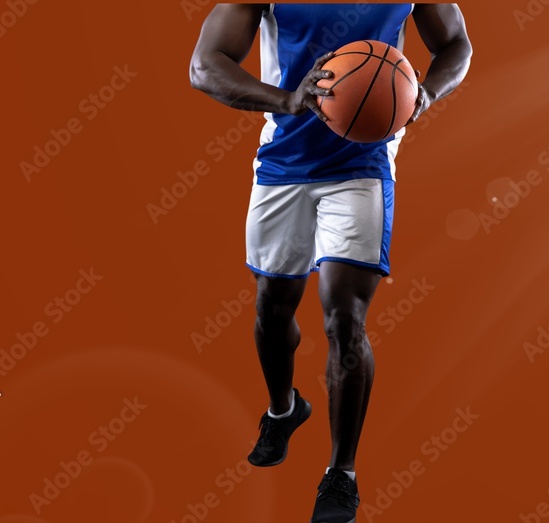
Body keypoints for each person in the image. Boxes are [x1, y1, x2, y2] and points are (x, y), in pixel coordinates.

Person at [189, 4, 471, 522]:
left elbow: (456, 43)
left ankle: (341, 474)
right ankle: (284, 410)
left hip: (362, 163)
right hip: (284, 163)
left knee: (345, 317)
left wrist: (425, 93)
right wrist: (286, 100)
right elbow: (205, 64)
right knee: (273, 308)